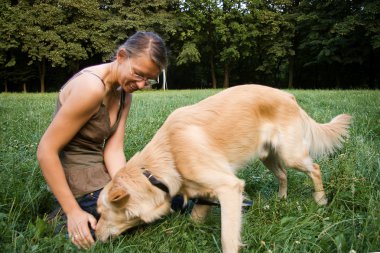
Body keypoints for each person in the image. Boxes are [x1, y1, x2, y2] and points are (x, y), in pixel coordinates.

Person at [37, 31, 168, 250]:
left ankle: (205, 195)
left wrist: (127, 186)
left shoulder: (125, 94)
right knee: (116, 223)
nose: (142, 84)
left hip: (100, 174)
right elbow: (46, 150)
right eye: (138, 74)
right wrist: (73, 212)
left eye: (148, 79)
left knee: (158, 194)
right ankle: (62, 215)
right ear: (121, 56)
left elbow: (113, 150)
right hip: (75, 180)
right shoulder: (91, 88)